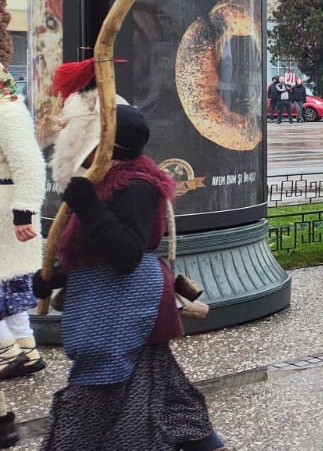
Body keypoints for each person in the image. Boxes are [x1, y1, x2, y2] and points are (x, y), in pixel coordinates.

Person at [36, 102, 224, 451]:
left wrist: (88, 205)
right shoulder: (104, 180)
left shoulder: (136, 185)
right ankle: (202, 441)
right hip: (111, 301)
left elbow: (126, 254)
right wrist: (55, 278)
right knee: (159, 383)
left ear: (105, 143)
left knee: (100, 390)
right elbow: (96, 252)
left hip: (126, 308)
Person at [0, 69, 44, 393]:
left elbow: (30, 165)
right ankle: (26, 350)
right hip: (7, 208)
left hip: (6, 208)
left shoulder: (7, 112)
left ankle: (6, 353)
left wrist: (23, 212)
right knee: (8, 286)